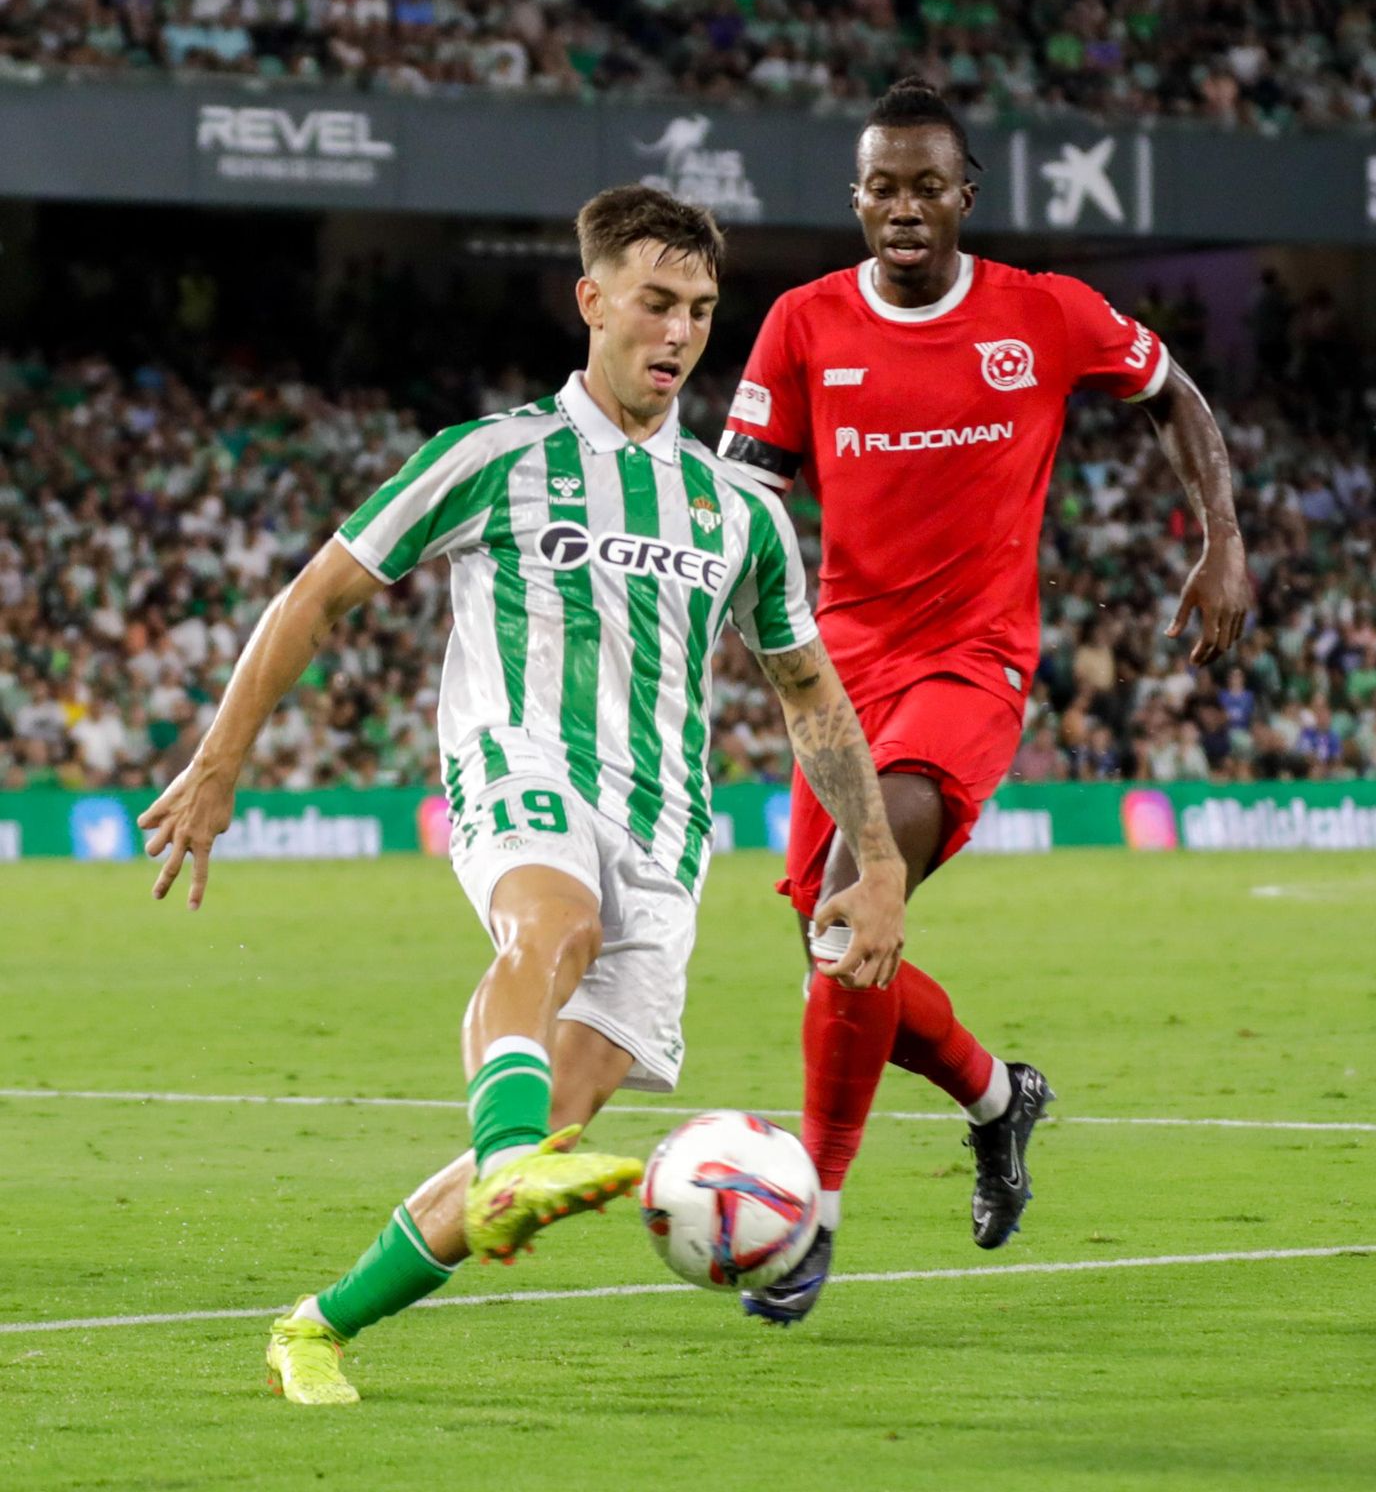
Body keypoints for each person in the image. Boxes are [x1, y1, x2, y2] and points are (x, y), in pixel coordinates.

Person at [139, 186, 906, 1403]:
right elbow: (316, 596)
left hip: (666, 832)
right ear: (591, 300)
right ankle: (505, 1158)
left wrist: (877, 862)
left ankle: (318, 1325)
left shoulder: (742, 510)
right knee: (551, 926)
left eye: (701, 310)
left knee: (556, 1128)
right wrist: (222, 760)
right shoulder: (492, 455)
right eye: (655, 302)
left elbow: (809, 694)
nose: (678, 331)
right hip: (517, 763)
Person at [718, 78, 1250, 1323]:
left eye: (924, 185)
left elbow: (1172, 390)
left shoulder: (1044, 314)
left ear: (965, 195)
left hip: (971, 662)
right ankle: (999, 1099)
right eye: (879, 187)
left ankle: (810, 1217)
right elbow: (743, 489)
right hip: (834, 673)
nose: (902, 206)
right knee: (834, 945)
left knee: (856, 912)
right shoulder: (801, 323)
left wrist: (1220, 534)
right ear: (855, 200)